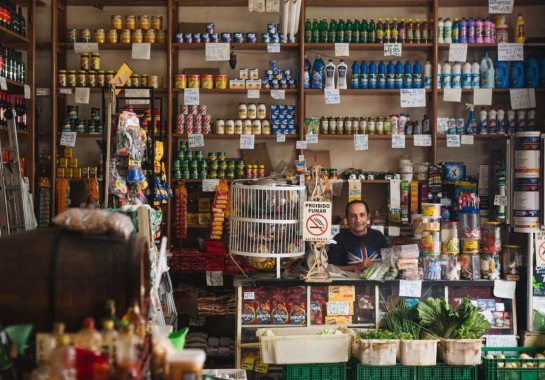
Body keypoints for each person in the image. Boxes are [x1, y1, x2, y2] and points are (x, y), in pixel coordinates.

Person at [327, 199, 388, 272]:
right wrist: (356, 268)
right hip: (348, 283)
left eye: (362, 215)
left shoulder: (378, 236)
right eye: (353, 216)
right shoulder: (338, 239)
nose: (358, 220)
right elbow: (331, 268)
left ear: (368, 216)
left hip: (376, 282)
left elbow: (388, 263)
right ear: (347, 219)